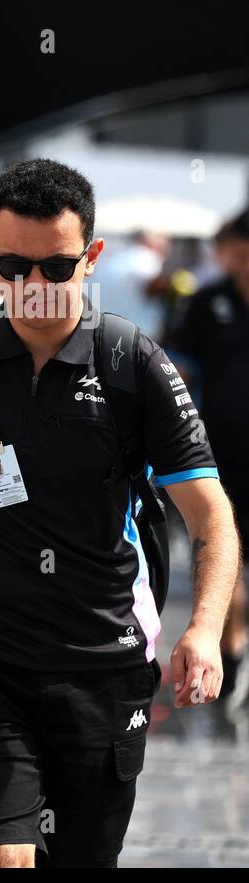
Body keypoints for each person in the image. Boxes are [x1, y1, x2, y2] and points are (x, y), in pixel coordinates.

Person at [0, 158, 239, 867]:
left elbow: (211, 516)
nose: (33, 286)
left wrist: (206, 630)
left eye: (57, 268)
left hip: (103, 666)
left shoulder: (133, 364)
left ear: (92, 258)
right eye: (14, 265)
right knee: (1, 859)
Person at [163, 208, 249, 714]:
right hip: (219, 456)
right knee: (227, 561)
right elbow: (179, 370)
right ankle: (232, 656)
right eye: (232, 253)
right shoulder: (206, 304)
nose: (238, 262)